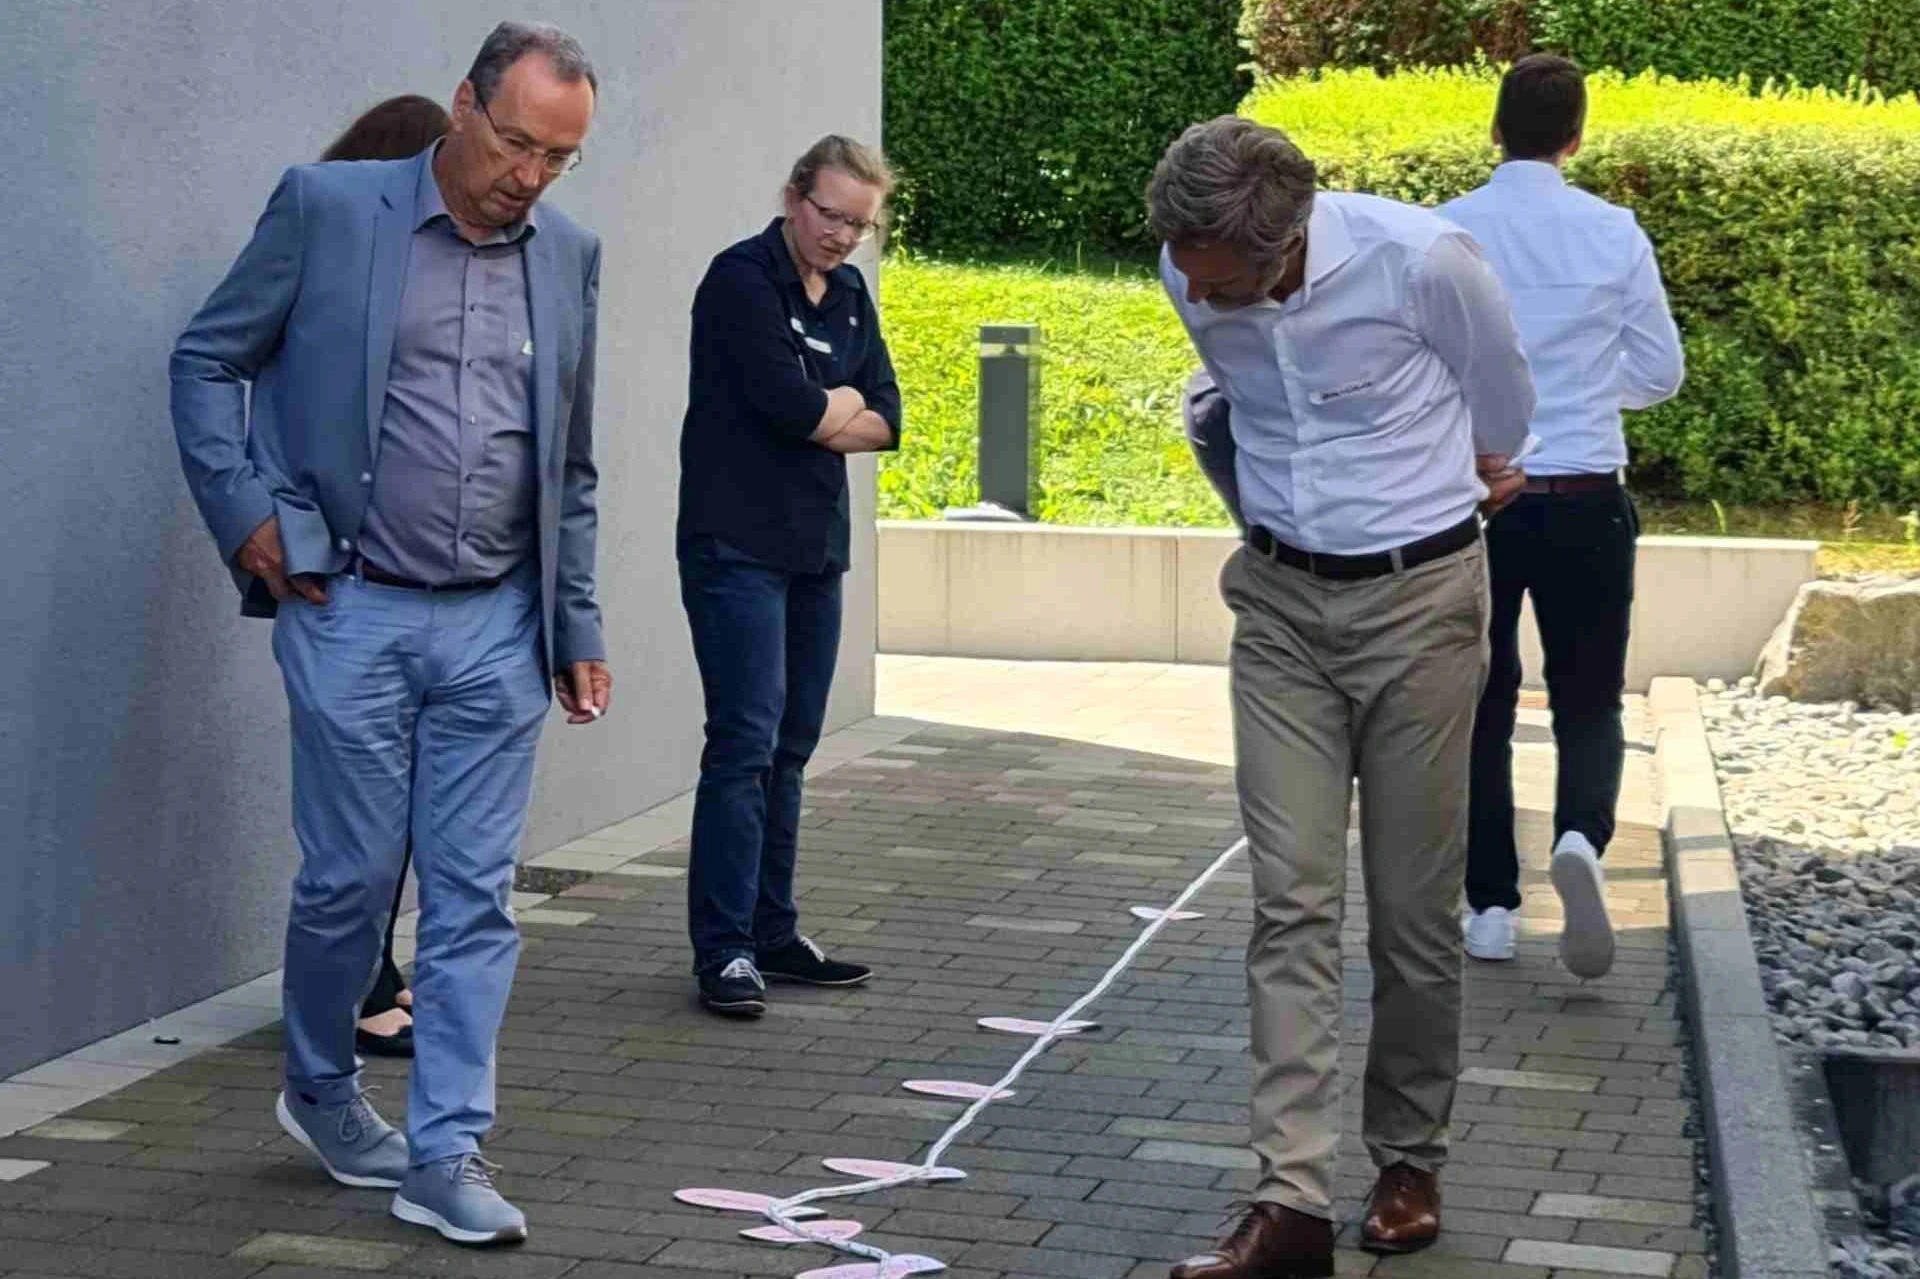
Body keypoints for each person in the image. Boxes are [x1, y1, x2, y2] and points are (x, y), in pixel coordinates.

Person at [169, 21, 608, 1246]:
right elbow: (210, 360)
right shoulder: (328, 207)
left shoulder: (566, 254)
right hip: (348, 602)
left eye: (557, 157)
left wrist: (574, 618)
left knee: (474, 895)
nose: (529, 174)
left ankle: (447, 1148)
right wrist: (249, 514)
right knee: (351, 883)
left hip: (497, 623)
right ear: (463, 107)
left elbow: (568, 461)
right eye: (516, 142)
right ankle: (320, 1087)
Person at [1148, 116, 1535, 1278]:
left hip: (1420, 605)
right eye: (1188, 272)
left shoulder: (1427, 263)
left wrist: (1465, 464)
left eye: (1220, 281)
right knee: (1290, 900)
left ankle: (1409, 1155)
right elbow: (1227, 398)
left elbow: (1504, 410)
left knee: (1414, 912)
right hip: (1277, 608)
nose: (1197, 294)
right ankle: (1291, 1202)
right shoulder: (1186, 264)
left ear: (1286, 247)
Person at [1438, 55, 1684, 979]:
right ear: (1577, 137)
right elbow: (1660, 372)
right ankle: (1580, 836)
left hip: (1479, 503)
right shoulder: (1614, 232)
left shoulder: (1448, 231)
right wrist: (1581, 388)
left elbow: (1424, 364)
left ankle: (1491, 907)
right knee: (1590, 697)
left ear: (1494, 129)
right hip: (1588, 498)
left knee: (1482, 704)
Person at [676, 136, 901, 1018]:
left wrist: (836, 411)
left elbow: (886, 415)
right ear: (794, 196)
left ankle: (773, 930)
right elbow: (795, 406)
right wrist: (830, 407)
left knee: (793, 748)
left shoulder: (847, 294)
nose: (843, 236)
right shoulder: (739, 281)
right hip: (736, 548)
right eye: (831, 214)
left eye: (861, 224)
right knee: (743, 744)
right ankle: (723, 948)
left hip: (815, 552)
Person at [313, 92, 455, 1062]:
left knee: (396, 798)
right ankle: (354, 983)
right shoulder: (334, 253)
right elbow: (230, 370)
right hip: (344, 579)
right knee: (355, 807)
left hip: (424, 581)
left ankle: (372, 969)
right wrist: (272, 528)